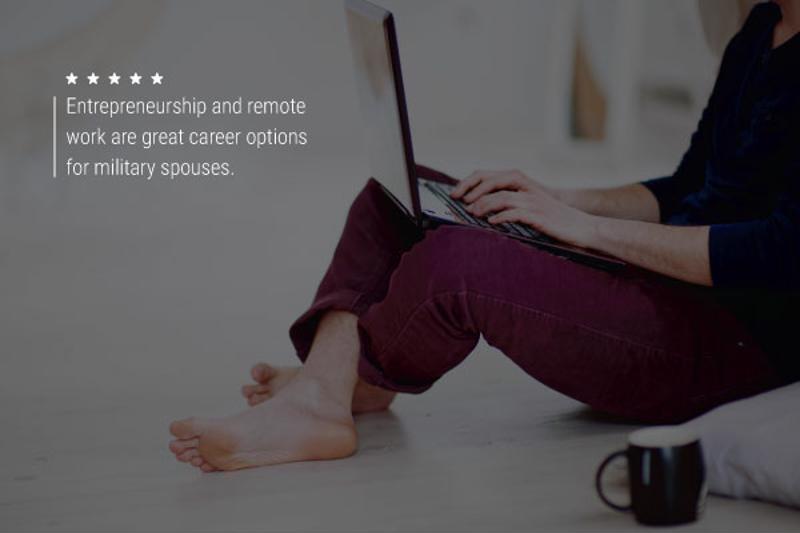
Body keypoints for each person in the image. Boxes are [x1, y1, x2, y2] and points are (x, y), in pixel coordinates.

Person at [168, 0, 800, 472]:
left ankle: (333, 389)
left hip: (733, 348)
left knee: (459, 264)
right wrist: (553, 200)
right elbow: (689, 186)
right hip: (665, 284)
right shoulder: (760, 28)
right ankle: (328, 391)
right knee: (400, 199)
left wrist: (589, 232)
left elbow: (778, 253)